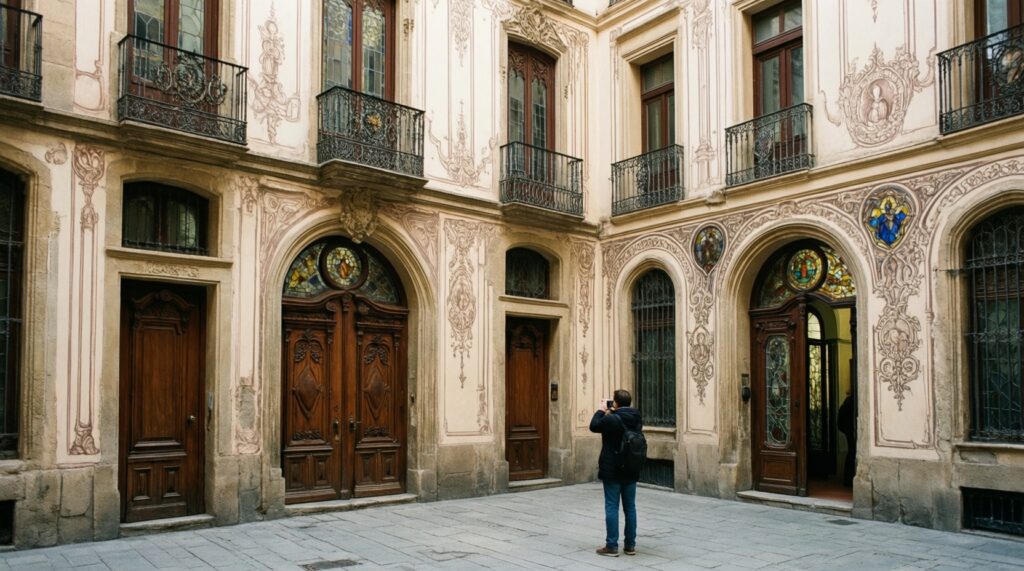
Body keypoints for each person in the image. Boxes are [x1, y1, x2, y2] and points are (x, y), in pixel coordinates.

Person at [589, 389, 643, 557]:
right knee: (630, 508)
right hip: (631, 467)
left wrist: (601, 409)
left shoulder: (612, 419)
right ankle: (630, 546)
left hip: (612, 468)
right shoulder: (636, 417)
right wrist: (613, 410)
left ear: (616, 402)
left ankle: (612, 545)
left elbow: (594, 426)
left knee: (612, 506)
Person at [837, 393, 855, 487]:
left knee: (851, 453)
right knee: (852, 453)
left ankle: (848, 479)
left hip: (850, 432)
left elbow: (840, 423)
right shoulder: (850, 403)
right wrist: (849, 431)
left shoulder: (847, 403)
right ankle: (848, 479)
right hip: (851, 432)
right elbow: (841, 422)